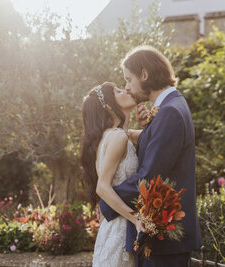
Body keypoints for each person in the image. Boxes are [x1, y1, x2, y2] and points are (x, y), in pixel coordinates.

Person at [99, 46, 203, 267]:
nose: (127, 87)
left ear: (144, 75)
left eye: (129, 79)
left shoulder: (170, 113)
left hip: (165, 241)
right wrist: (132, 133)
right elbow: (157, 147)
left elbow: (149, 178)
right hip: (160, 238)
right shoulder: (170, 106)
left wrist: (106, 202)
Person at [80, 81, 143, 266]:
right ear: (108, 106)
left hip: (115, 227)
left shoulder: (117, 134)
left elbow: (152, 134)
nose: (126, 90)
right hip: (120, 228)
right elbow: (102, 186)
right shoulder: (118, 137)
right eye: (117, 91)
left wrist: (143, 123)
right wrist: (136, 218)